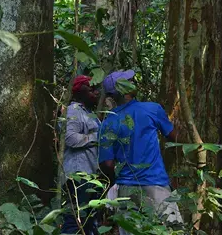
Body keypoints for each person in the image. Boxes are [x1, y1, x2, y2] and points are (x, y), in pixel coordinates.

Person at [98, 70, 182, 231]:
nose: (134, 82)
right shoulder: (151, 109)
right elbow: (174, 137)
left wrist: (117, 180)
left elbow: (107, 164)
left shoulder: (108, 122)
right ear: (125, 88)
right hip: (155, 184)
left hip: (125, 190)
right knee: (172, 230)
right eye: (131, 81)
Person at [61, 75, 101, 235]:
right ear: (79, 92)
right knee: (76, 221)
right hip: (79, 174)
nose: (96, 93)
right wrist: (97, 138)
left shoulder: (88, 113)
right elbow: (69, 137)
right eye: (91, 89)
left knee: (89, 221)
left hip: (90, 174)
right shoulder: (74, 110)